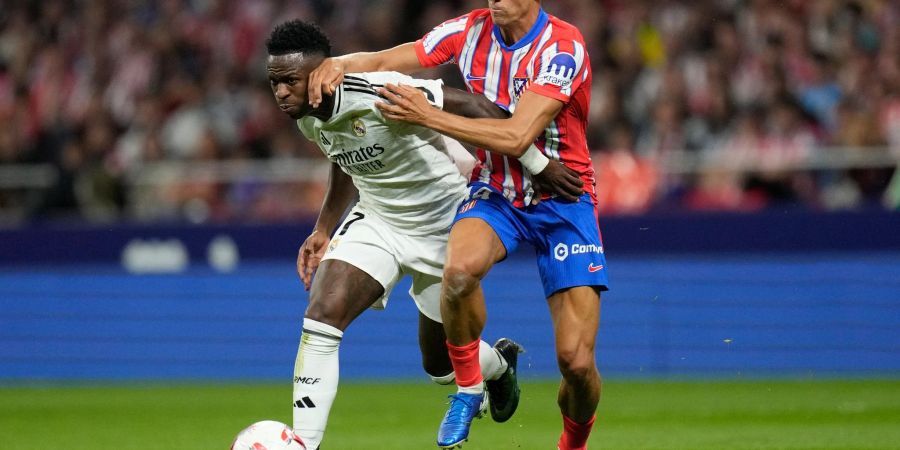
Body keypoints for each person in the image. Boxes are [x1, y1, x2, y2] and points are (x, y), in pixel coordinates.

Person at [264, 19, 584, 450]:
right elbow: (342, 153)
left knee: (440, 366)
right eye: (274, 83)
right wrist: (324, 228)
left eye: (290, 82)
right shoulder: (306, 115)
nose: (281, 93)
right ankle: (303, 442)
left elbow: (478, 109)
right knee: (322, 314)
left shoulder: (381, 91)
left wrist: (537, 164)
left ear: (321, 73)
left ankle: (497, 367)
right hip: (378, 220)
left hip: (442, 223)